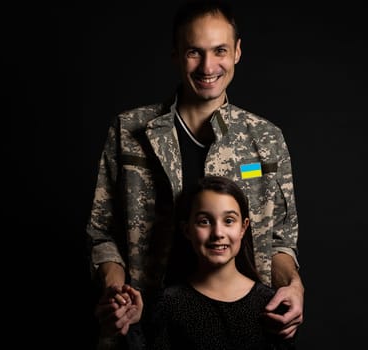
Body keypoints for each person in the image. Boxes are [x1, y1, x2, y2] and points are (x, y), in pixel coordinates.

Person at [88, 1, 304, 348]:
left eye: (219, 50)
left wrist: (293, 285)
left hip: (240, 328)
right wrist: (118, 294)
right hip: (146, 326)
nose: (208, 66)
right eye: (194, 52)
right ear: (176, 54)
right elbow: (102, 235)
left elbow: (280, 238)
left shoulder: (265, 140)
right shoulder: (129, 131)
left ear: (237, 52)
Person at [99, 175, 296, 349]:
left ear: (243, 227)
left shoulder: (270, 304)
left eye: (229, 221)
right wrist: (134, 326)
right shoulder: (168, 304)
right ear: (187, 230)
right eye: (204, 221)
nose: (218, 233)